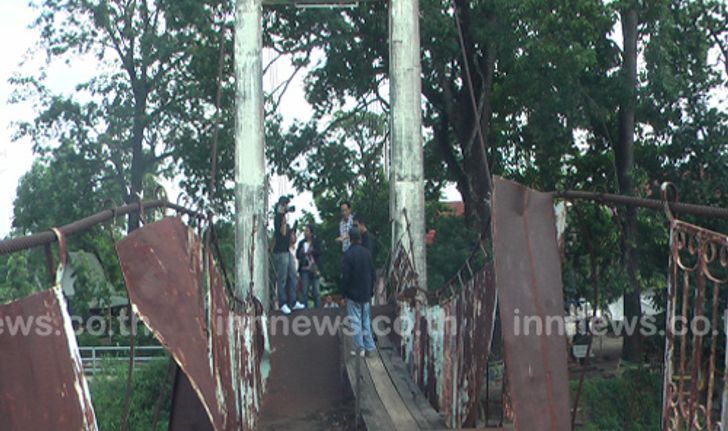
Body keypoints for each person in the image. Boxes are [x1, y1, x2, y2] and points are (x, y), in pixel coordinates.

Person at [342, 227, 376, 357]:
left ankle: (359, 348)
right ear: (360, 238)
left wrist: (344, 293)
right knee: (366, 320)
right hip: (366, 293)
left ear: (350, 239)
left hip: (353, 294)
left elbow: (346, 277)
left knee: (355, 321)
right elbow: (373, 274)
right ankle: (370, 346)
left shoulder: (348, 255)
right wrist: (371, 290)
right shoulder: (367, 253)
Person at [272, 196, 304, 315]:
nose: (286, 207)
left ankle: (293, 301)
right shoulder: (278, 218)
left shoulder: (283, 218)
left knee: (293, 275)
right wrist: (283, 217)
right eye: (284, 205)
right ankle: (283, 303)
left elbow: (289, 237)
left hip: (286, 250)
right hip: (280, 252)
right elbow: (282, 232)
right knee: (283, 278)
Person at [296, 224, 322, 308]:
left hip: (314, 268)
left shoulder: (316, 242)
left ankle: (318, 309)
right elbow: (297, 255)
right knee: (304, 291)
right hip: (304, 269)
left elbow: (320, 253)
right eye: (304, 231)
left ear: (311, 233)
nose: (305, 232)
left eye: (307, 231)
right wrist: (301, 252)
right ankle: (305, 309)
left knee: (316, 291)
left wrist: (312, 251)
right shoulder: (301, 243)